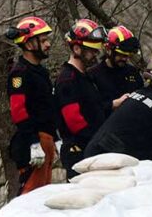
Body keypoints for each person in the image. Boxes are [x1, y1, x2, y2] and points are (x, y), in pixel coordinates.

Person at [54, 19, 128, 178]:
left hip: (93, 147)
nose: (95, 54)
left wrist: (112, 105)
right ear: (76, 48)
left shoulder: (85, 77)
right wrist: (98, 141)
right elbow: (75, 121)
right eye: (91, 51)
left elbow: (93, 108)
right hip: (79, 152)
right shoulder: (67, 79)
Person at [4, 16, 58, 195]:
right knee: (30, 196)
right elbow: (19, 112)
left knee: (43, 195)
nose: (48, 44)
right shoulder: (19, 74)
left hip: (47, 139)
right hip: (33, 142)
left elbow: (48, 108)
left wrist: (57, 139)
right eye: (42, 41)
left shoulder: (41, 71)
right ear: (28, 44)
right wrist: (34, 143)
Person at [88, 25, 144, 103]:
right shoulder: (93, 75)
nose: (125, 59)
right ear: (108, 50)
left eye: (127, 55)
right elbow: (91, 107)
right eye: (121, 54)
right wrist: (113, 104)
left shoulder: (133, 72)